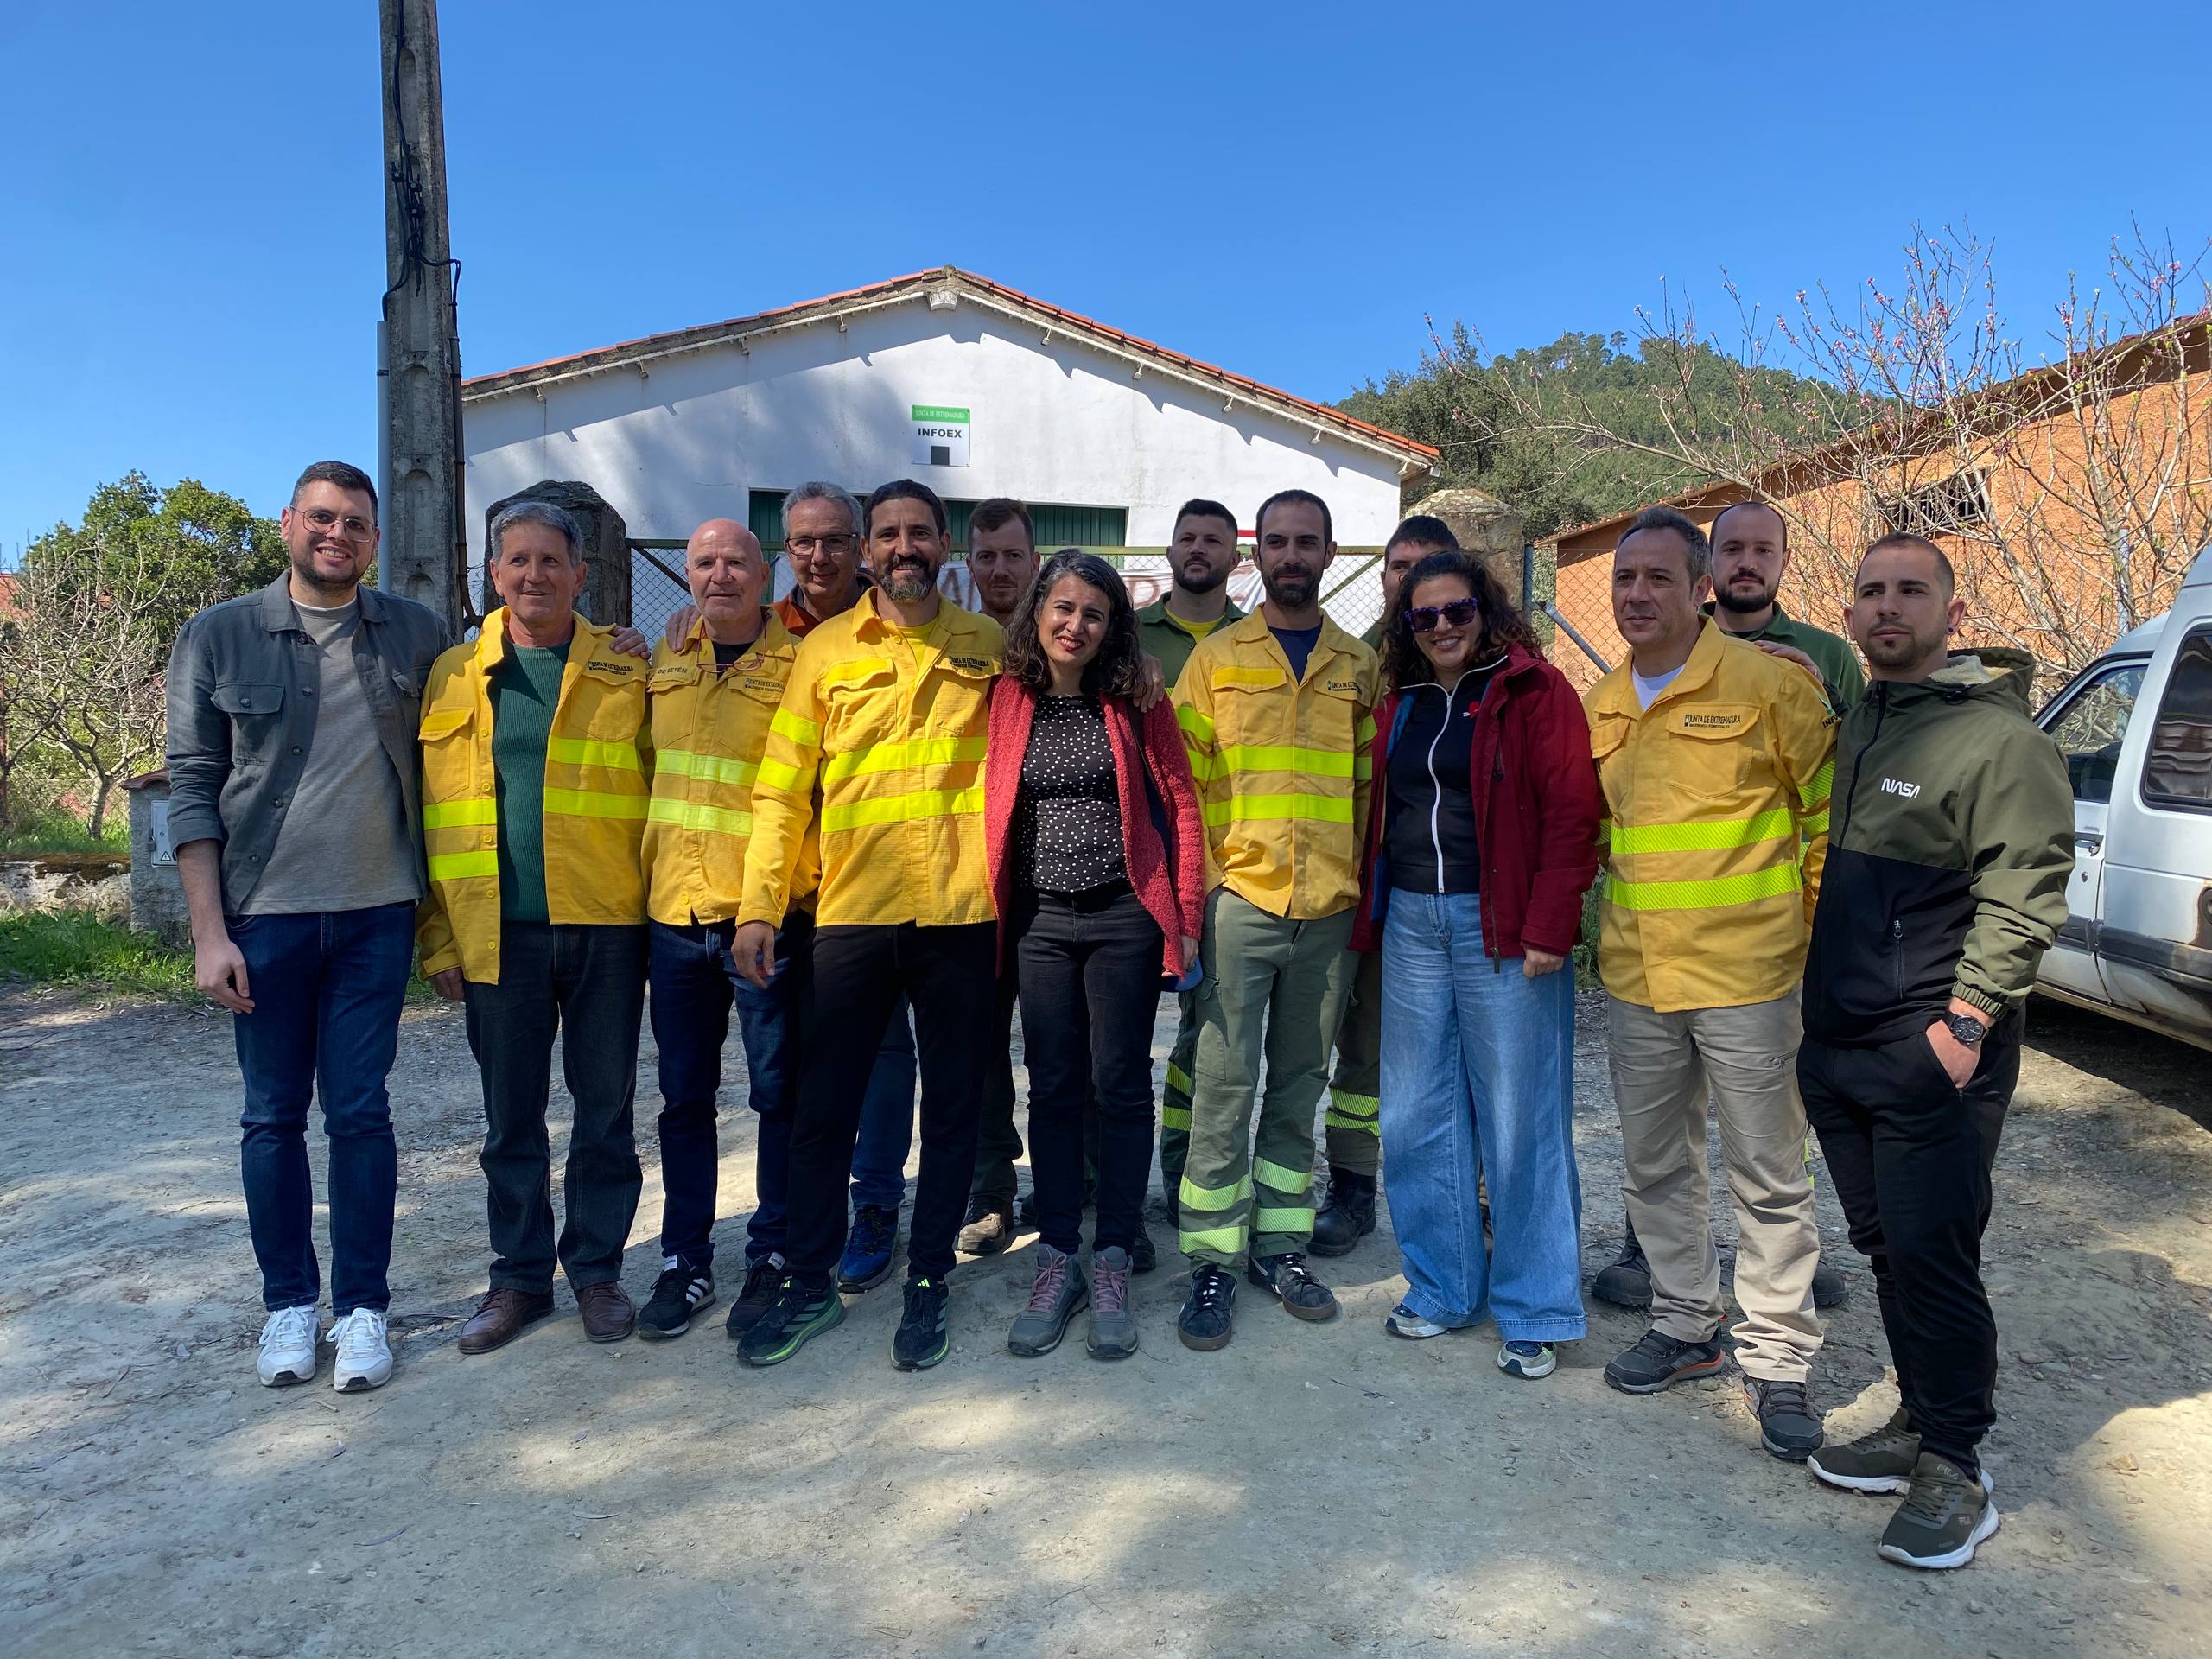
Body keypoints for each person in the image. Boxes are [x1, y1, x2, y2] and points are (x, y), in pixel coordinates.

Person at [1799, 534, 2071, 1570]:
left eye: (1910, 590)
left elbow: (2025, 891)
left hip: (1930, 1049)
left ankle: (1956, 1465)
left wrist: (1964, 1025)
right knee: (1886, 1250)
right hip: (1840, 1044)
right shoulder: (1863, 720)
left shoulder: (1999, 742)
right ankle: (1916, 1420)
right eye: (1870, 591)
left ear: (1953, 616)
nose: (1886, 606)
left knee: (1934, 1253)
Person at [165, 460, 449, 1394]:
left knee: (360, 1112)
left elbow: (482, 707)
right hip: (263, 921)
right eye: (322, 518)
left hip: (376, 918)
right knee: (272, 1115)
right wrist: (210, 935)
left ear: (375, 539)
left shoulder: (416, 633)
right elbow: (193, 787)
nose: (338, 534)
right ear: (287, 523)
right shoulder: (219, 634)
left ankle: (363, 1308)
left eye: (356, 523)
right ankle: (290, 1302)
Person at [729, 479, 1002, 1372]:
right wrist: (760, 906)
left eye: (920, 532)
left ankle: (928, 1279)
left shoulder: (986, 646)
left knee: (952, 1109)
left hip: (961, 913)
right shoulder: (826, 652)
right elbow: (781, 790)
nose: (904, 547)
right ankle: (810, 1282)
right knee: (823, 1109)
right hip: (851, 913)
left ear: (945, 544)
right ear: (869, 548)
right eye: (888, 534)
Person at [1584, 505, 1836, 1462]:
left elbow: (1827, 817)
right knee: (1655, 1166)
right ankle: (1687, 1322)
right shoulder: (1602, 705)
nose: (1636, 594)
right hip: (1640, 976)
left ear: (1699, 588)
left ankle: (1777, 1358)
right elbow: (1594, 837)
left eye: (1657, 577)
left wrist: (1804, 934)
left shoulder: (1769, 686)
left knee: (1768, 1176)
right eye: (1624, 578)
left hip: (1749, 976)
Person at [1351, 548, 1601, 1376]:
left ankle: (1535, 1307)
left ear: (1485, 611)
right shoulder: (1402, 699)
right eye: (1423, 616)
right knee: (1414, 1113)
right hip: (1412, 921)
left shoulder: (1536, 690)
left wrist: (1550, 926)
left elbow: (1572, 815)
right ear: (1407, 626)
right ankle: (1443, 1287)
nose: (1442, 627)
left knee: (1519, 1117)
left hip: (1503, 924)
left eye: (1457, 610)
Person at [419, 500, 654, 1354]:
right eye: (517, 560)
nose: (533, 575)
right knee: (509, 1121)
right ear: (493, 574)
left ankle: (596, 1272)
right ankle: (518, 1281)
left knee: (605, 1113)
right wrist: (437, 937)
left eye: (551, 560)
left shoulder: (628, 668)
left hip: (607, 928)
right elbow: (424, 812)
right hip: (497, 934)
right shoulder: (452, 675)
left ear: (581, 574)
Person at [694, 483, 920, 1296]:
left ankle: (877, 1202)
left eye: (833, 541)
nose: (818, 558)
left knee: (885, 1053)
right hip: (783, 889)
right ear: (783, 552)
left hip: (872, 881)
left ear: (861, 546)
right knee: (789, 1072)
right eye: (802, 543)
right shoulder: (760, 630)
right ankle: (790, 1224)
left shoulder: (901, 620)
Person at [1172, 488, 1380, 1351]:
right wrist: (1203, 895)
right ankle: (1212, 1259)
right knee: (1223, 1089)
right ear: (1256, 556)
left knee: (1298, 1087)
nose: (1292, 556)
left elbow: (1369, 791)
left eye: (1307, 542)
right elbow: (1181, 787)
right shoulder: (1214, 660)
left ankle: (1280, 1245)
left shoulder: (1359, 666)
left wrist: (1355, 889)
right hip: (1240, 905)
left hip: (1328, 911)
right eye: (1279, 543)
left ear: (1329, 554)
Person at [983, 550, 1205, 1358]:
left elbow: (1182, 804)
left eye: (1094, 614)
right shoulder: (1006, 697)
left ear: (1114, 627)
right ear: (1038, 611)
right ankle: (1058, 1257)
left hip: (1123, 916)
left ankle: (1112, 1252)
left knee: (1120, 1086)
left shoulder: (1137, 698)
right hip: (1039, 922)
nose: (1075, 625)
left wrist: (1185, 915)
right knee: (1052, 1086)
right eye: (1064, 608)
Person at [636, 519, 806, 1338]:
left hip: (761, 920)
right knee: (684, 1099)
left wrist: (765, 906)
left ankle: (773, 1250)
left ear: (764, 573)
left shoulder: (799, 666)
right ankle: (686, 1260)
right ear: (687, 575)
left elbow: (800, 795)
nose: (721, 575)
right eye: (705, 562)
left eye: (737, 561)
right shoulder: (661, 659)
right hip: (674, 917)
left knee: (777, 1092)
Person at [1315, 512, 1463, 1255]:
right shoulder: (1355, 662)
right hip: (1362, 888)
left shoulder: (1485, 663)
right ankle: (1351, 1187)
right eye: (1399, 568)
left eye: (1428, 566)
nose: (1411, 581)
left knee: (1456, 1053)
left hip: (1450, 892)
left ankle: (1468, 1197)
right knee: (1362, 1049)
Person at [1141, 499, 1244, 1260]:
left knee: (1201, 1041)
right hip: (1133, 870)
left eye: (1214, 539)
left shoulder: (1256, 640)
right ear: (1170, 549)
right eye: (1188, 538)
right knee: (1108, 1043)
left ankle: (1181, 1174)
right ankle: (1095, 1180)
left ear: (1236, 558)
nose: (1199, 549)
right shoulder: (1129, 634)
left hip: (1218, 873)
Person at [956, 498, 1046, 1255]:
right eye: (987, 556)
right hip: (977, 883)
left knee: (1062, 1045)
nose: (1000, 569)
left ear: (1035, 560)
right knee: (980, 1048)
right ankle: (991, 1192)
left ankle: (1072, 1177)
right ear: (969, 563)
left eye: (1013, 555)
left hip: (1055, 882)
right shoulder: (959, 647)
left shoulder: (1070, 639)